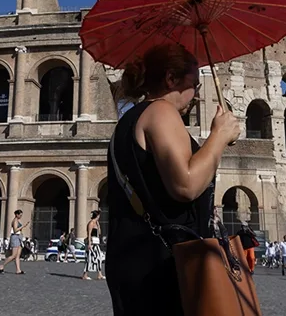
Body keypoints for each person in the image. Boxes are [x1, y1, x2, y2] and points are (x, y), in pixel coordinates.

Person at [104, 44, 241, 316]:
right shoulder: (162, 112)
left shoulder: (129, 121)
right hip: (164, 264)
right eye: (193, 84)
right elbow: (185, 185)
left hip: (134, 260)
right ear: (170, 79)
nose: (196, 95)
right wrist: (219, 137)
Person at [0, 209, 25, 274]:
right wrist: (23, 226)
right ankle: (2, 266)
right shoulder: (15, 220)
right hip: (15, 237)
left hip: (19, 238)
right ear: (16, 214)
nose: (21, 216)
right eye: (20, 215)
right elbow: (15, 230)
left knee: (17, 256)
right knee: (13, 255)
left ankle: (18, 270)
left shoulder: (17, 220)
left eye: (21, 215)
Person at [82, 210, 106, 280]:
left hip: (96, 243)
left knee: (99, 258)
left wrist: (98, 225)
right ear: (97, 216)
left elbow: (100, 233)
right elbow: (89, 234)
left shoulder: (96, 223)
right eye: (99, 215)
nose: (99, 217)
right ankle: (85, 275)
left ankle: (100, 274)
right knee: (89, 259)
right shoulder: (91, 223)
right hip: (92, 243)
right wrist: (89, 243)